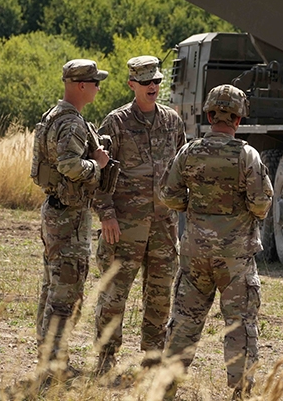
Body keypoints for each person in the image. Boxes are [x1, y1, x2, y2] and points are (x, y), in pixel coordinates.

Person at [159, 84, 273, 400]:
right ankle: (240, 392)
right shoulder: (247, 156)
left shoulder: (188, 152)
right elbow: (261, 204)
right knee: (239, 325)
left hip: (194, 253)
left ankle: (167, 386)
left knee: (184, 321)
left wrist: (193, 207)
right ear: (238, 119)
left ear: (209, 115)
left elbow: (168, 195)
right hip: (235, 258)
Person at [92, 55, 186, 372]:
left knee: (159, 294)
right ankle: (106, 356)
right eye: (146, 82)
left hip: (163, 226)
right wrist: (106, 214)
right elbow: (98, 175)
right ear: (132, 84)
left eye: (157, 81)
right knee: (115, 293)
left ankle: (153, 355)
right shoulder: (115, 123)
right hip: (124, 226)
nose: (153, 87)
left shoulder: (173, 121)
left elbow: (180, 171)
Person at [31, 59, 112, 379]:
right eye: (95, 82)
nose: (98, 87)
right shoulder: (72, 123)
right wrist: (98, 164)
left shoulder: (54, 116)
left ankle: (48, 356)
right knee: (67, 291)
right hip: (69, 215)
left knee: (52, 286)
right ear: (80, 86)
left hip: (56, 211)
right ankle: (54, 365)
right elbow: (69, 166)